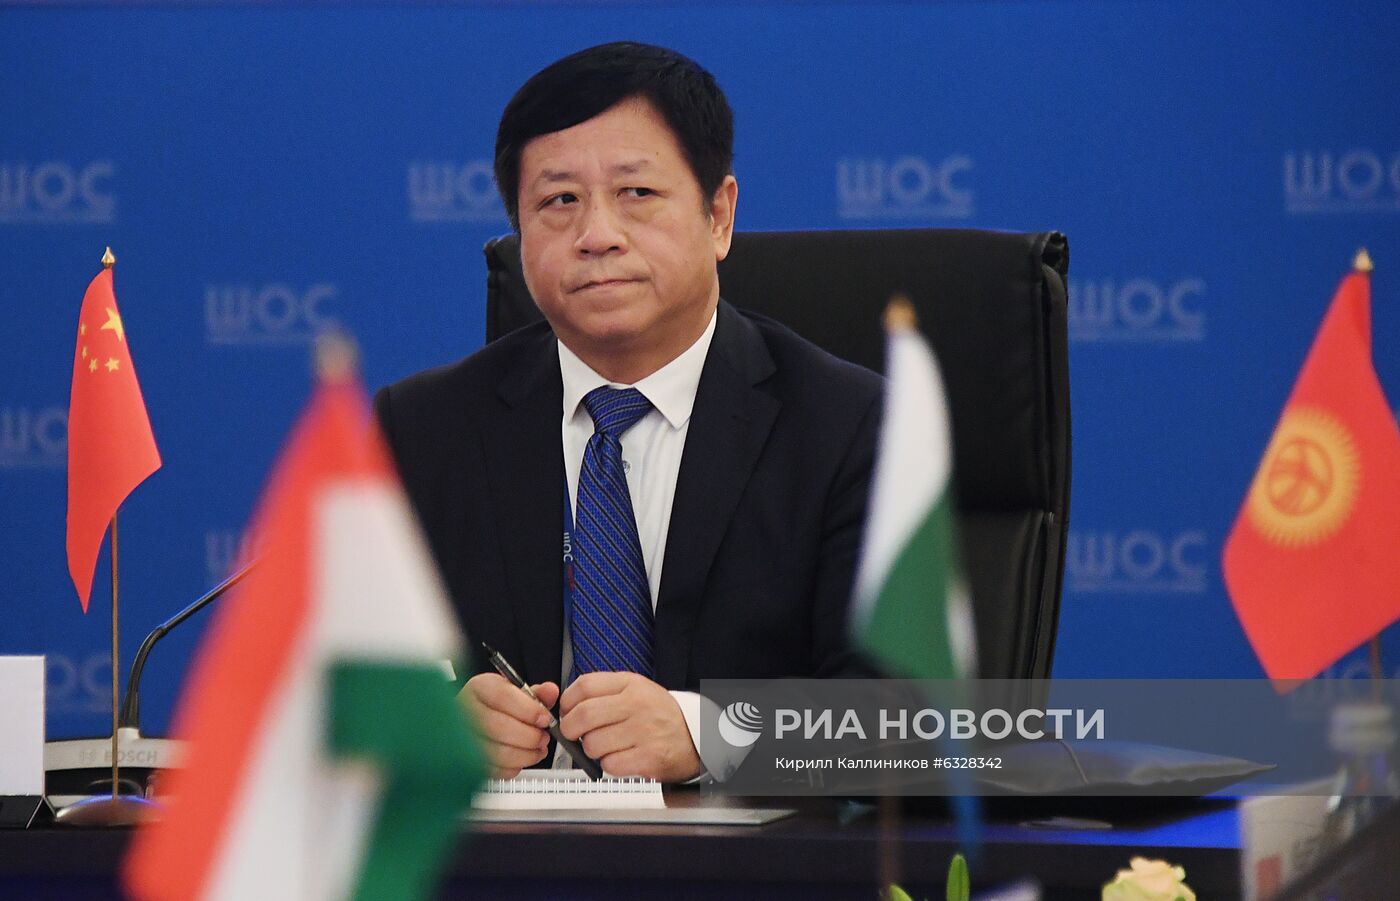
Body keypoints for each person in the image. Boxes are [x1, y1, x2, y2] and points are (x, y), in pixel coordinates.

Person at [374, 41, 882, 783]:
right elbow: (328, 695)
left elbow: (924, 722)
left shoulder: (850, 426)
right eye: (559, 201)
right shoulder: (425, 428)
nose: (597, 236)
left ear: (718, 215)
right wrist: (428, 726)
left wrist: (712, 735)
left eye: (636, 193)